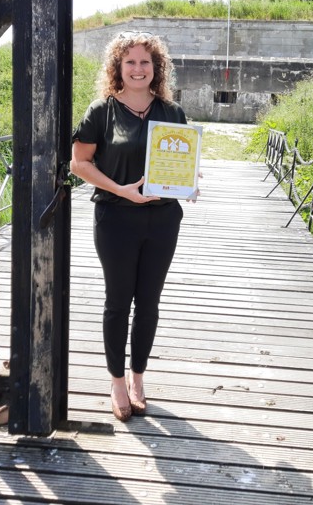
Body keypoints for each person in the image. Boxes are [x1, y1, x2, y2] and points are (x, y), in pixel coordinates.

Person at [70, 30, 189, 421]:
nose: (138, 69)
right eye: (130, 62)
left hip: (163, 219)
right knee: (118, 302)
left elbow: (181, 161)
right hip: (116, 218)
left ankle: (139, 377)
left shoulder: (172, 113)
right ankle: (117, 380)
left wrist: (186, 182)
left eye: (145, 62)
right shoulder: (101, 111)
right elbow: (79, 164)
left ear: (157, 68)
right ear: (117, 67)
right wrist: (120, 188)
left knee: (149, 302)